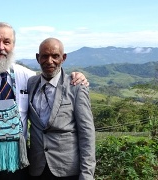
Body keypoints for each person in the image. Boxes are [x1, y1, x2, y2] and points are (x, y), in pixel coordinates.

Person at [0, 22, 88, 180]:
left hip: (18, 158)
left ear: (13, 45)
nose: (0, 47)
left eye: (7, 42)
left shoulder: (27, 76)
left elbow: (53, 79)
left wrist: (78, 77)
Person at [27, 38, 96, 180]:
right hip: (37, 168)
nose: (49, 61)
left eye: (55, 56)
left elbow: (86, 132)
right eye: (45, 56)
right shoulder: (31, 84)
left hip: (67, 169)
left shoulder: (75, 86)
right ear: (38, 58)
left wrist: (87, 174)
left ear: (63, 58)